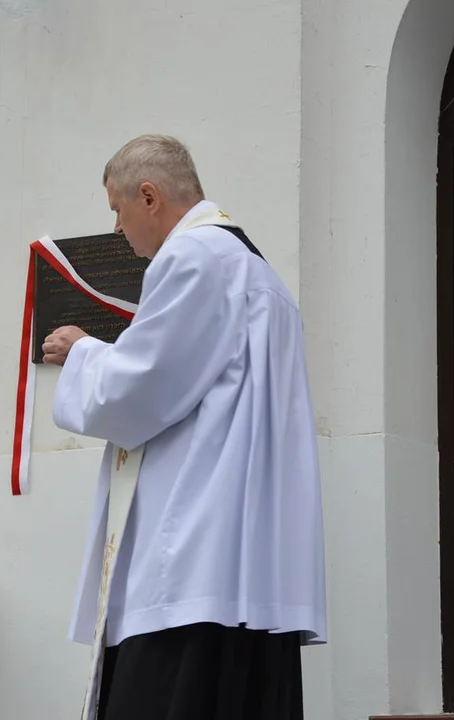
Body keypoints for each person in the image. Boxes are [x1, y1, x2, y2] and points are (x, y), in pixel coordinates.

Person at [41, 134, 327, 719]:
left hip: (189, 560)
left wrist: (83, 351)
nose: (118, 231)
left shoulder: (193, 257)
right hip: (245, 569)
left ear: (149, 196)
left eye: (117, 212)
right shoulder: (260, 275)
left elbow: (142, 389)